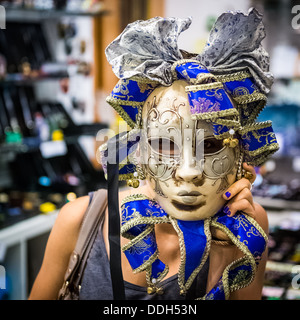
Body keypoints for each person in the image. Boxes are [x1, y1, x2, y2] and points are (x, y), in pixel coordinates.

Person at [29, 8, 279, 300]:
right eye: (165, 143)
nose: (188, 171)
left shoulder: (247, 225)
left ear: (241, 153)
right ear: (139, 148)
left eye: (211, 145)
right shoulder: (79, 221)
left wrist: (226, 253)